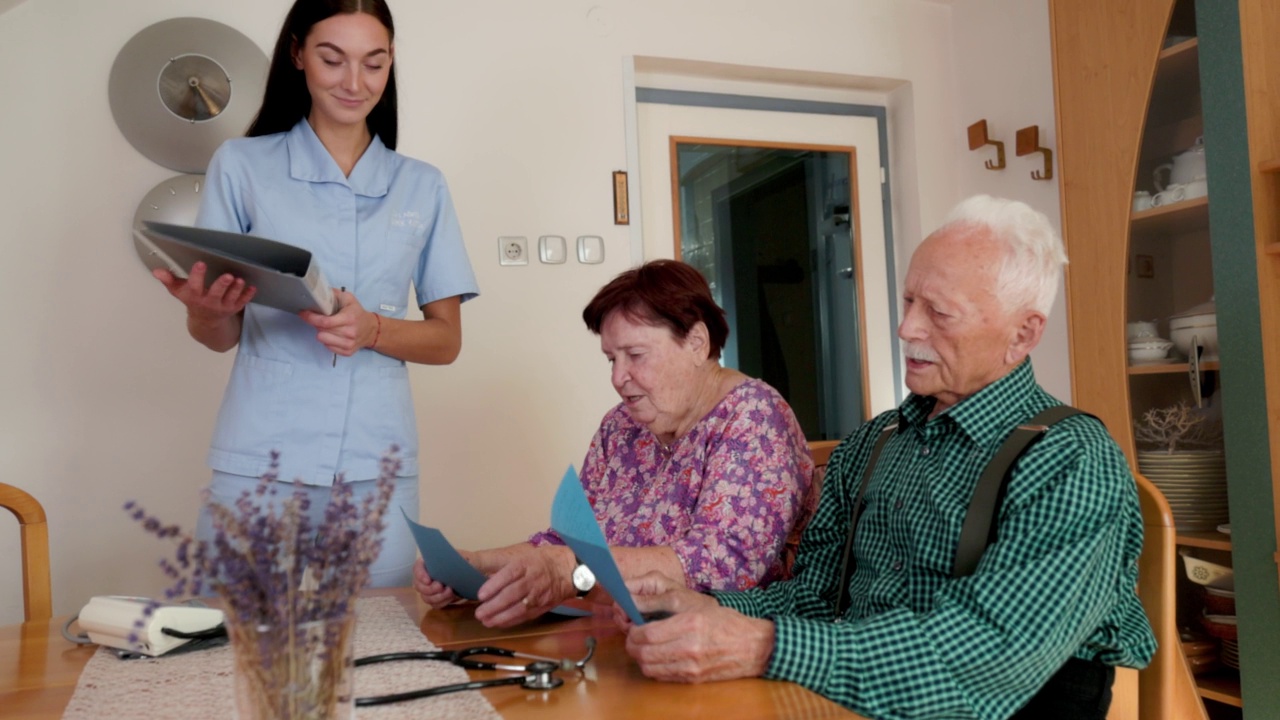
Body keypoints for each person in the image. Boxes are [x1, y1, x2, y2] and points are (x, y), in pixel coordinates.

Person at [620, 196, 1157, 720]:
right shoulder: (873, 443)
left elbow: (991, 652)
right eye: (908, 302)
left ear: (1023, 334)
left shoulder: (1071, 459)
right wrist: (707, 608)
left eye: (939, 313)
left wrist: (763, 645)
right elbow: (818, 598)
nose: (907, 329)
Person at [152, 0, 478, 588]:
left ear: (391, 63)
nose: (355, 83)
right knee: (227, 644)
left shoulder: (421, 186)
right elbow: (219, 337)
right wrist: (205, 311)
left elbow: (446, 341)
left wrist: (373, 329)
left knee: (380, 644)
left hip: (377, 465)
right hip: (260, 459)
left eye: (373, 63)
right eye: (333, 59)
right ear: (298, 54)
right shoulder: (242, 166)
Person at [414, 260, 813, 627]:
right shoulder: (622, 427)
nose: (618, 377)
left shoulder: (753, 418)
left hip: (722, 647)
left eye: (635, 355)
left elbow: (722, 567)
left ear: (696, 343)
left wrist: (572, 572)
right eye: (611, 359)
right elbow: (564, 545)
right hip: (621, 631)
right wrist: (476, 567)